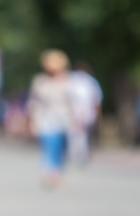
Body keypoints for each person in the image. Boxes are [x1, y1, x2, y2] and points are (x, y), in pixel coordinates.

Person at [27, 49, 74, 188]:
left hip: (64, 119)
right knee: (49, 145)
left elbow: (74, 102)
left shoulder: (69, 80)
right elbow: (33, 102)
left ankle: (58, 171)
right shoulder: (40, 81)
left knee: (61, 147)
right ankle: (49, 172)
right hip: (46, 118)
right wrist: (31, 120)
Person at [68, 62, 103, 166]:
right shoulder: (72, 80)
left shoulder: (90, 82)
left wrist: (97, 113)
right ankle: (75, 154)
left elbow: (96, 99)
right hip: (74, 112)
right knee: (75, 134)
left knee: (84, 134)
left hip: (86, 112)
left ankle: (82, 154)